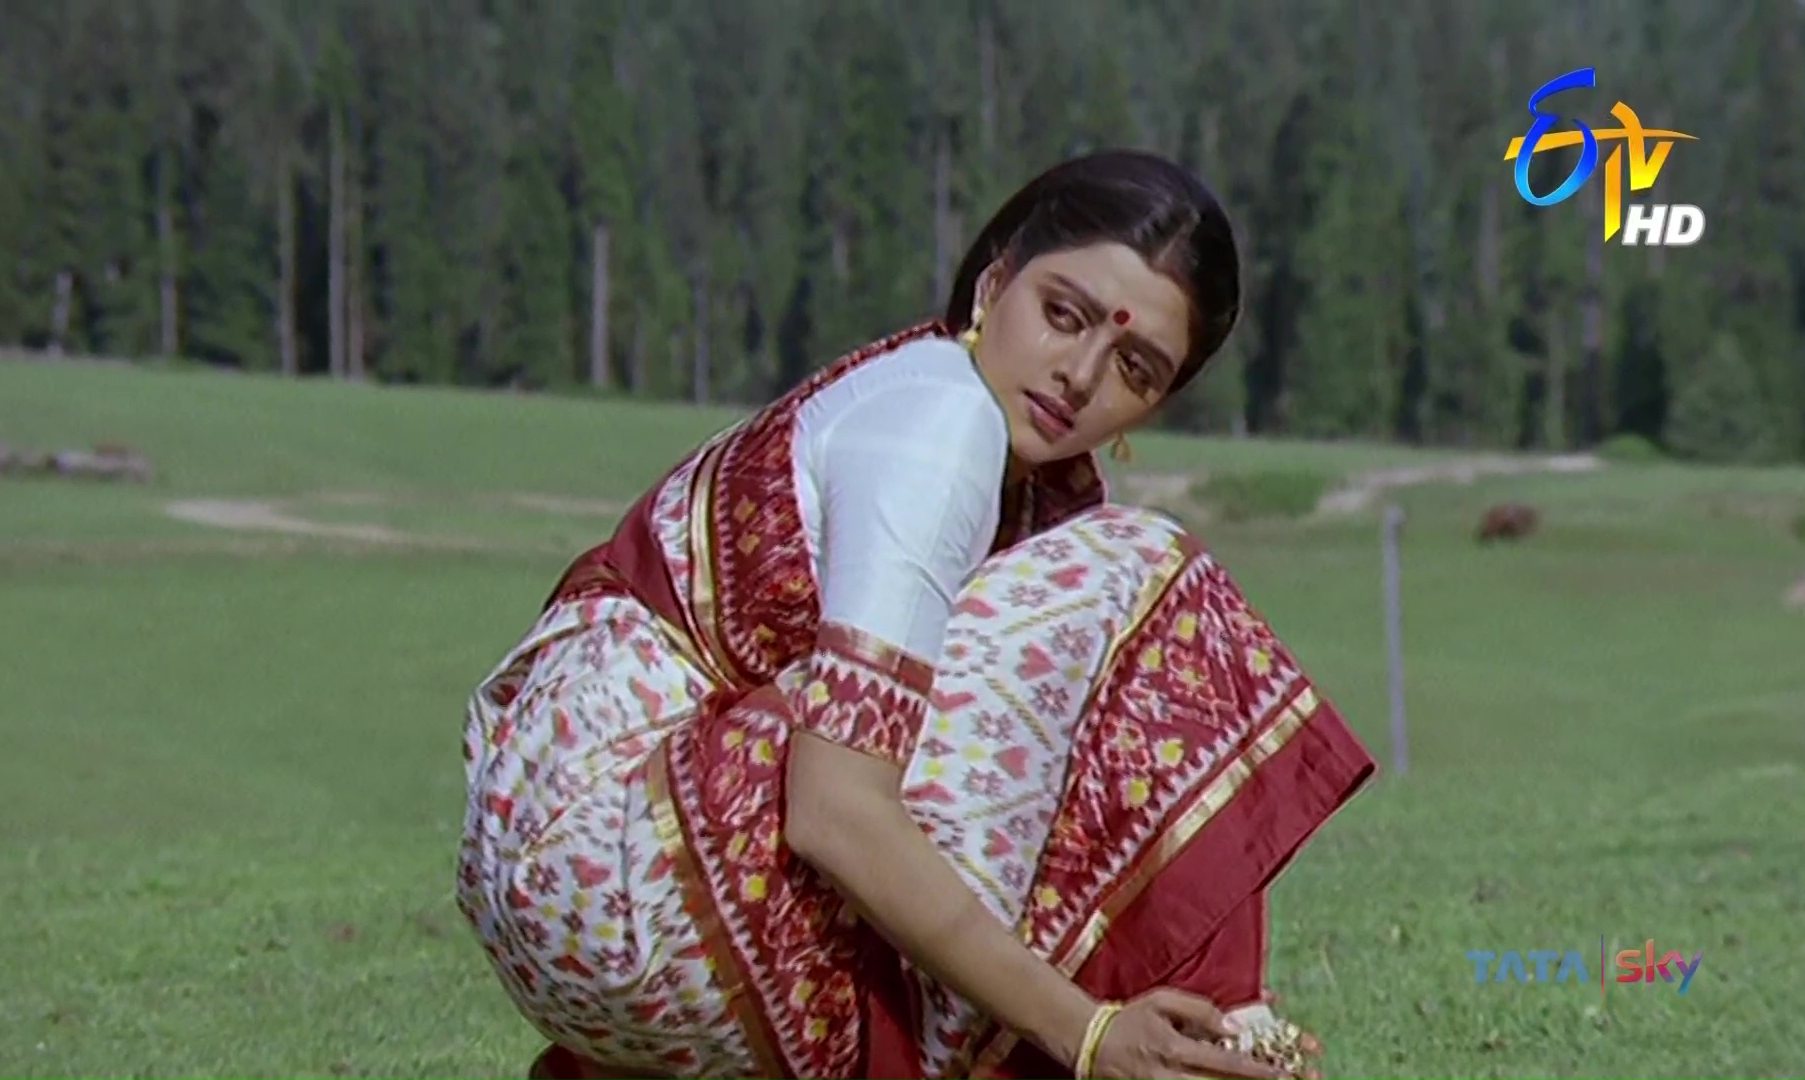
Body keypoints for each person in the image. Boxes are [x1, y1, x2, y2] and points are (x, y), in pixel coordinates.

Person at [456, 149, 1376, 1080]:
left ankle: (1208, 1036)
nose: (1079, 374)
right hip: (611, 870)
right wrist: (1085, 1034)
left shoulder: (956, 418)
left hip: (585, 884)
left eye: (1134, 367)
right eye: (1063, 314)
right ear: (995, 283)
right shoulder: (942, 427)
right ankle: (1206, 1034)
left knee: (1089, 680)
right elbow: (835, 814)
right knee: (1148, 577)